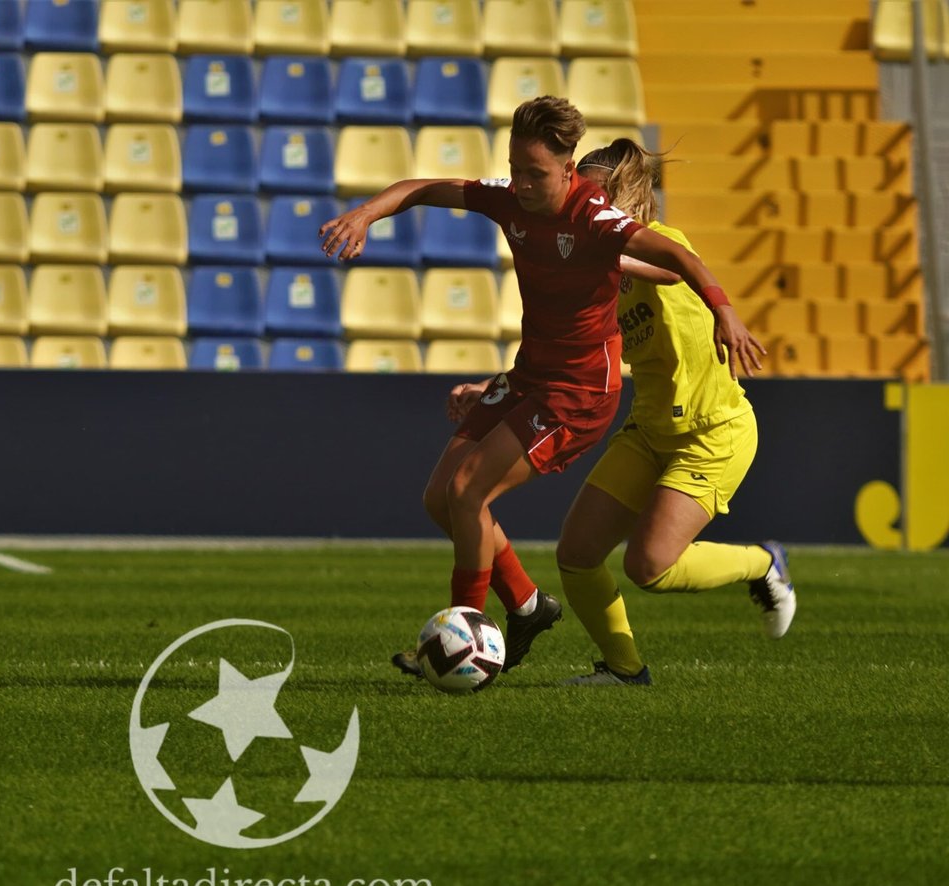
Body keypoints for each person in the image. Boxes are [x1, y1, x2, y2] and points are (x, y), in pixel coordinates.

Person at [316, 96, 765, 675]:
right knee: (441, 498)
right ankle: (527, 606)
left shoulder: (594, 218)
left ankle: (463, 637)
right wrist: (365, 215)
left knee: (468, 491)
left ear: (568, 170)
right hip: (530, 375)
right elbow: (424, 188)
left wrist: (725, 311)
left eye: (536, 174)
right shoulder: (511, 199)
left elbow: (675, 256)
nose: (523, 184)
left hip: (578, 393)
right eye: (516, 169)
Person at [551, 138, 796, 686]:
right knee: (577, 553)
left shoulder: (664, 242)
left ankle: (764, 563)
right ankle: (623, 670)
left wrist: (725, 312)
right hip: (649, 428)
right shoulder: (599, 275)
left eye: (589, 194)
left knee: (649, 567)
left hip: (713, 431)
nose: (578, 206)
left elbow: (675, 269)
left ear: (619, 196)